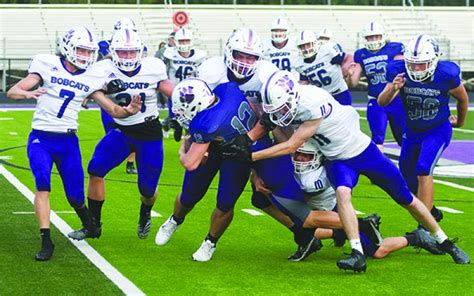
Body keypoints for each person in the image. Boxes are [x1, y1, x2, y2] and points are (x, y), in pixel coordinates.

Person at [251, 70, 470, 271]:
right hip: (338, 160)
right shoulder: (291, 105)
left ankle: (445, 242)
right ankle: (357, 253)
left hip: (364, 153)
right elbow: (285, 136)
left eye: (281, 108)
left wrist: (248, 157)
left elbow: (291, 145)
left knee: (407, 199)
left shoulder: (313, 103)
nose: (280, 114)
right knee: (342, 193)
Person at [6, 26, 141, 261]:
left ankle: (89, 224)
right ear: (67, 47)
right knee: (43, 185)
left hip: (68, 141)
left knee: (76, 196)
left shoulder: (92, 77)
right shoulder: (46, 65)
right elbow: (13, 91)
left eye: (89, 51)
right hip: (41, 138)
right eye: (81, 50)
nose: (85, 56)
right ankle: (46, 240)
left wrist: (128, 111)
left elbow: (112, 109)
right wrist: (27, 93)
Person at [68, 28, 174, 241]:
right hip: (121, 130)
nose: (127, 57)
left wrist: (183, 97)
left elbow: (169, 88)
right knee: (95, 169)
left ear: (140, 52)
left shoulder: (153, 67)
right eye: (123, 52)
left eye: (132, 52)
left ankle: (145, 212)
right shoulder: (101, 69)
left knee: (147, 189)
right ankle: (93, 225)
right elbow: (84, 91)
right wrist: (99, 91)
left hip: (149, 131)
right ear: (113, 52)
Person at [155, 78, 257, 262]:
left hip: (237, 154)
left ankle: (210, 241)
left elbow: (190, 163)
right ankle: (175, 220)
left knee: (225, 203)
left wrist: (182, 150)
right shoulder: (228, 89)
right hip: (225, 141)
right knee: (189, 195)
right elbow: (254, 109)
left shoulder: (207, 123)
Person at [291, 139, 445, 259]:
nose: (300, 158)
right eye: (298, 153)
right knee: (303, 231)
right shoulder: (297, 166)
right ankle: (344, 232)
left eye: (306, 155)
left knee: (377, 252)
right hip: (324, 210)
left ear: (318, 157)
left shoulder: (320, 174)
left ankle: (415, 238)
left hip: (334, 210)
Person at [378, 34, 469, 222]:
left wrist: (459, 121)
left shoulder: (446, 74)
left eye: (422, 64)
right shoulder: (399, 71)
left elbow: (462, 98)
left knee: (423, 167)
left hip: (437, 128)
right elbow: (382, 102)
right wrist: (394, 88)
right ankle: (432, 213)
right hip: (412, 130)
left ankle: (425, 229)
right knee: (405, 176)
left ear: (434, 60)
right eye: (413, 64)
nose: (417, 69)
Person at [348, 21, 406, 152]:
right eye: (370, 37)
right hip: (375, 101)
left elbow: (403, 73)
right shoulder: (360, 54)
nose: (373, 40)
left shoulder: (395, 48)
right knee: (377, 138)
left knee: (403, 139)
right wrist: (349, 75)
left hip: (396, 100)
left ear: (383, 36)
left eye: (376, 36)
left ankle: (410, 167)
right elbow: (353, 83)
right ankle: (380, 170)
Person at [97, 17, 142, 174]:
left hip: (131, 92)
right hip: (111, 95)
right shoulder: (104, 45)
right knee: (112, 133)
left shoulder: (138, 45)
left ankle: (130, 163)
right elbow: (99, 65)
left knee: (134, 130)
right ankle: (110, 159)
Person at [162, 28, 207, 142]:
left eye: (186, 41)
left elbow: (202, 73)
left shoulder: (199, 56)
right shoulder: (169, 54)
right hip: (174, 90)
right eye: (181, 41)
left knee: (191, 120)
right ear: (176, 41)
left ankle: (187, 134)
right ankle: (175, 124)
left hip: (192, 92)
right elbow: (163, 69)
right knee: (175, 117)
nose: (184, 44)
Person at [294, 30, 353, 106]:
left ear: (315, 43)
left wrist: (345, 67)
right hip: (321, 98)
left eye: (308, 45)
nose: (306, 49)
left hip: (339, 92)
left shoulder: (327, 51)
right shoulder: (299, 63)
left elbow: (349, 57)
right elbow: (304, 82)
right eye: (302, 46)